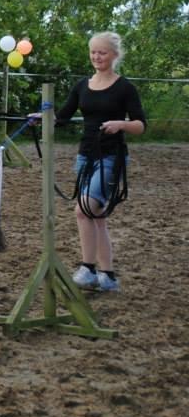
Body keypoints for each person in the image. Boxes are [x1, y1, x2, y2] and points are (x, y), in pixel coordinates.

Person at [37, 31, 146, 292]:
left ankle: (88, 268)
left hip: (111, 156)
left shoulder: (125, 88)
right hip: (85, 156)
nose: (96, 57)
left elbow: (140, 125)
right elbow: (61, 116)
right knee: (96, 216)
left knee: (83, 209)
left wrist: (121, 124)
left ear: (114, 55)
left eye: (102, 52)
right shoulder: (82, 86)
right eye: (93, 52)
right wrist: (41, 118)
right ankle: (107, 276)